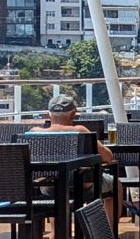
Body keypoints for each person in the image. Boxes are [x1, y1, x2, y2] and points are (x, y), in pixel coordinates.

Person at [32, 92, 120, 225]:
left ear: (48, 114)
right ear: (73, 115)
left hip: (49, 187)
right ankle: (107, 235)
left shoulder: (34, 133)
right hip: (84, 185)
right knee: (116, 184)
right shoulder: (80, 130)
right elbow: (108, 157)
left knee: (55, 185)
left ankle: (54, 236)